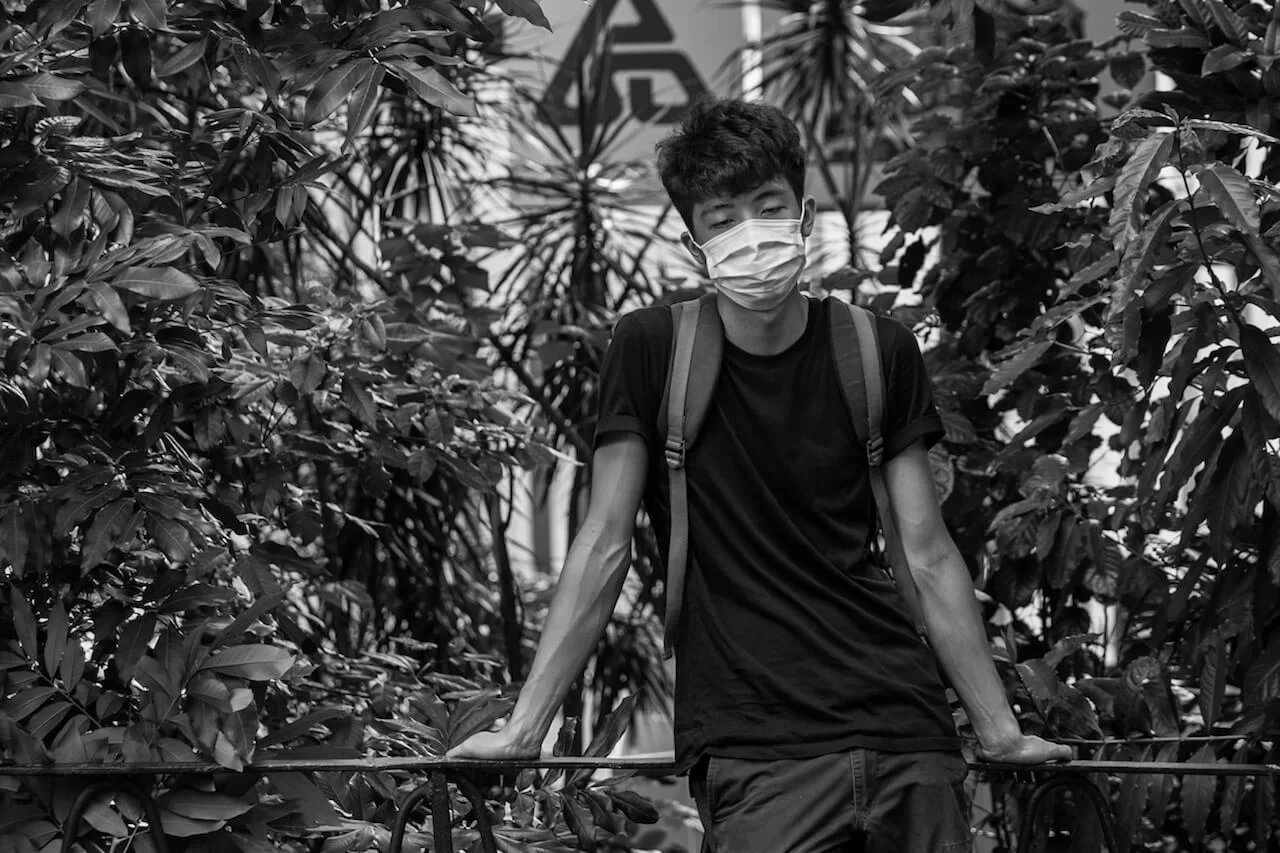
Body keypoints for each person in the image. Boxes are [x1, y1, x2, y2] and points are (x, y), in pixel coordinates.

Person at [449, 97, 1071, 852]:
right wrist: (524, 729)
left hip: (905, 737)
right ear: (695, 244)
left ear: (803, 215)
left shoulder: (877, 349)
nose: (749, 231)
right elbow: (605, 542)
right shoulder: (651, 350)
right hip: (756, 751)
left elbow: (927, 553)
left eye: (768, 206)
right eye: (722, 218)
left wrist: (998, 730)